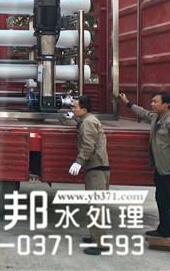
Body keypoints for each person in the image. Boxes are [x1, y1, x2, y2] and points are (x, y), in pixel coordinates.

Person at [119, 91, 170, 239]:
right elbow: (143, 113)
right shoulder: (157, 117)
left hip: (169, 170)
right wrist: (127, 102)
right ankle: (165, 230)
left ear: (167, 104)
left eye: (155, 102)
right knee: (162, 200)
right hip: (161, 168)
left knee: (166, 199)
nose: (152, 104)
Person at [67, 95, 110, 255]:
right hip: (96, 167)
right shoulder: (87, 120)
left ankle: (101, 244)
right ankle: (94, 236)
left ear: (84, 109)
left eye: (75, 107)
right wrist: (70, 117)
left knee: (96, 206)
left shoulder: (88, 122)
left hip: (97, 168)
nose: (72, 109)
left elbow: (88, 145)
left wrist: (79, 161)